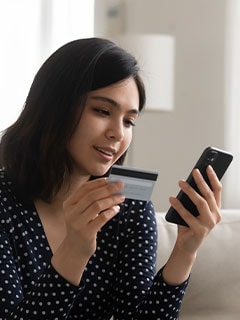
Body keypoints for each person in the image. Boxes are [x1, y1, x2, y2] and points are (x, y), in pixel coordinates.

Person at [0, 37, 222, 320]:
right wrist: (75, 250)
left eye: (129, 121)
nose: (118, 133)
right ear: (55, 108)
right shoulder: (5, 204)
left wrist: (184, 251)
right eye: (103, 111)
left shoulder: (129, 205)